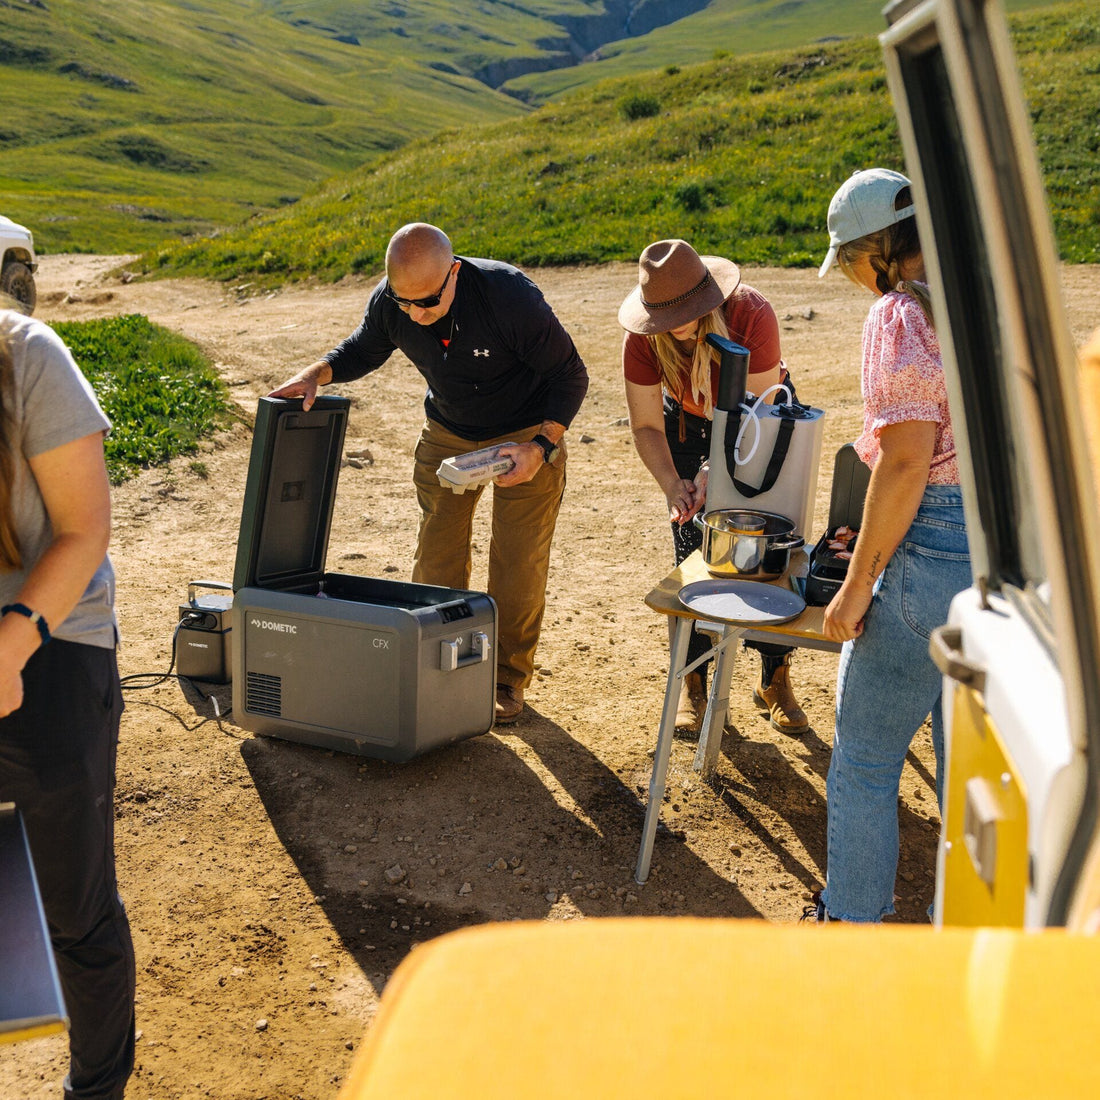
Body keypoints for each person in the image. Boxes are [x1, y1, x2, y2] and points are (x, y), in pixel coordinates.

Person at [270, 223, 589, 725]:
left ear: (454, 273)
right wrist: (317, 372)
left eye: (428, 301)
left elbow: (570, 373)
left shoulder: (509, 297)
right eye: (405, 303)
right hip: (449, 431)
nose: (416, 314)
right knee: (437, 550)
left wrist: (541, 446)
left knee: (518, 558)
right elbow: (362, 348)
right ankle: (435, 659)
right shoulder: (394, 304)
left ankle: (505, 677)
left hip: (525, 433)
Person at [810, 168, 971, 922]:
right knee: (966, 772)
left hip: (928, 554)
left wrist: (855, 584)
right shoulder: (983, 297)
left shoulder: (899, 317)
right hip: (999, 557)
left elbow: (909, 461)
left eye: (846, 260)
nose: (847, 276)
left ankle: (850, 928)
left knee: (867, 766)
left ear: (876, 251)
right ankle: (969, 933)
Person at [0, 309, 135, 1098]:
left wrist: (11, 648)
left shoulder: (29, 356)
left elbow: (84, 531)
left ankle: (98, 1085)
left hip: (51, 641)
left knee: (71, 905)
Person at [618, 239, 809, 736]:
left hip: (758, 418)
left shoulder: (752, 314)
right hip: (685, 426)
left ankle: (775, 677)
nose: (676, 322)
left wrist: (714, 472)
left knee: (767, 549)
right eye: (665, 314)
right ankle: (692, 681)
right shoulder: (641, 338)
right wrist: (673, 485)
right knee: (692, 552)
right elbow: (645, 427)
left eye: (687, 310)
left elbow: (755, 416)